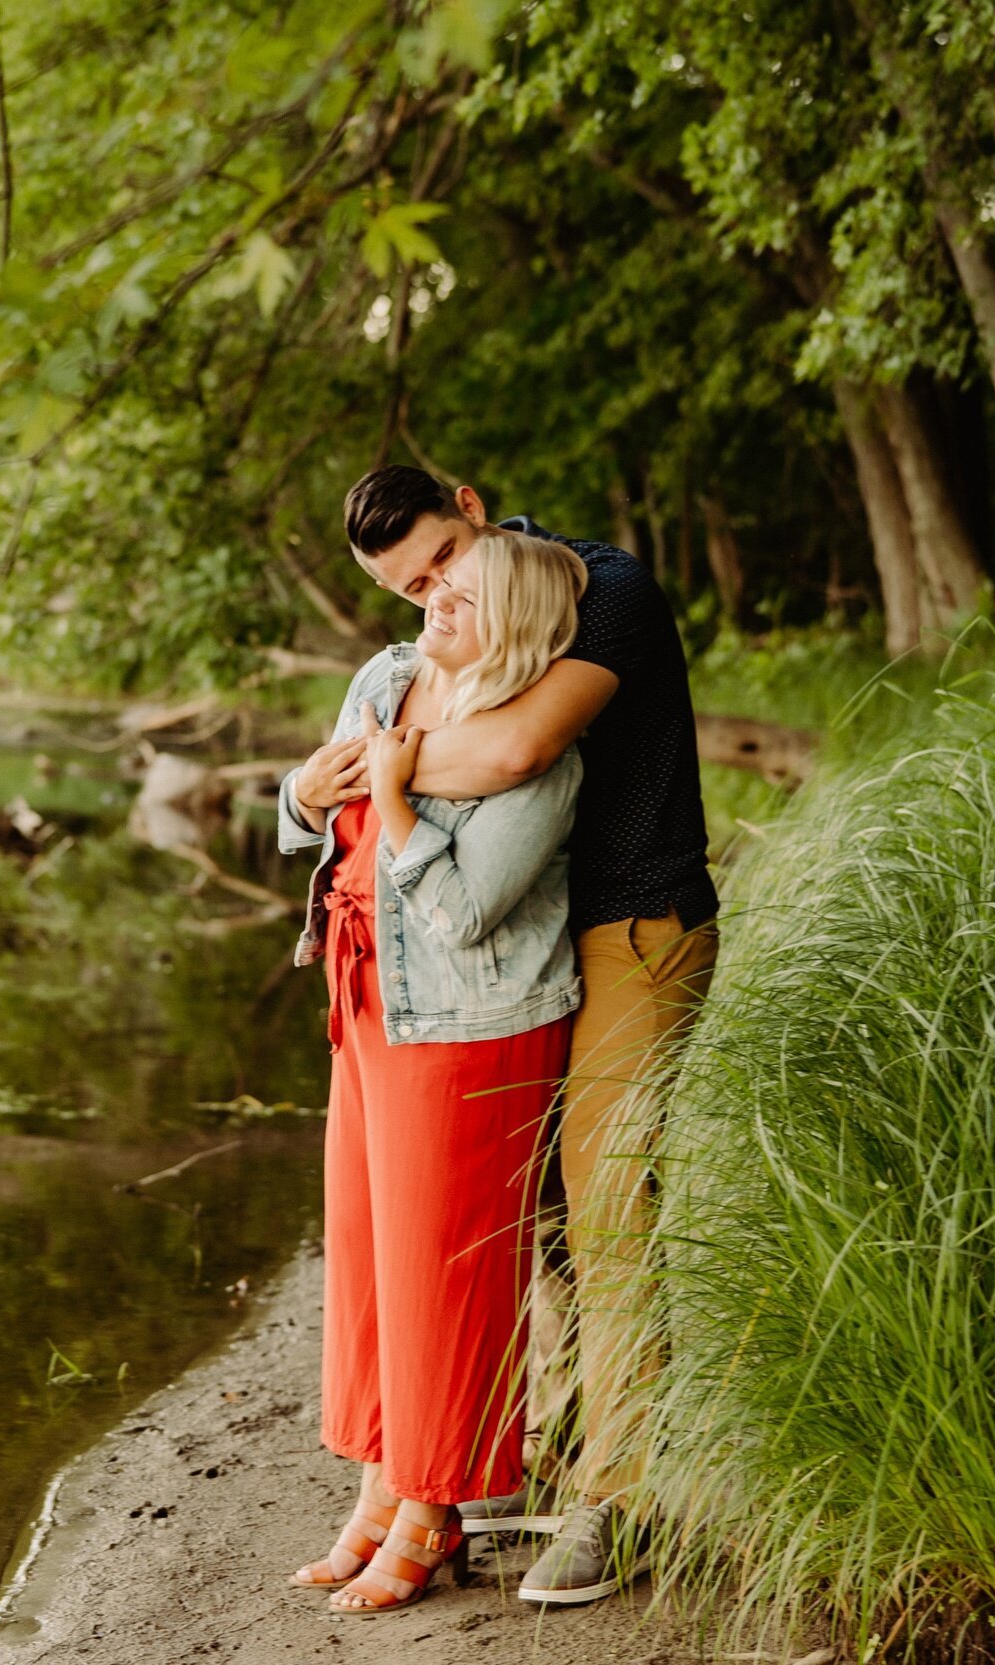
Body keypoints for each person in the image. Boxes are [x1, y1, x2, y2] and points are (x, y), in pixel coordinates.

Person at [299, 466, 718, 1607]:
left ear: (472, 506)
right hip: (514, 951)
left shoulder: (602, 590)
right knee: (527, 1224)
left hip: (625, 924)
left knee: (608, 1204)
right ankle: (549, 1445)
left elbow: (516, 752)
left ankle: (622, 1505)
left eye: (439, 563)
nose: (429, 593)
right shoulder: (440, 642)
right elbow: (438, 756)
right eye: (408, 588)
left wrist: (375, 771)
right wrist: (318, 787)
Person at [275, 530, 590, 1616]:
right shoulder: (391, 687)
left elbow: (461, 916)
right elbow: (310, 814)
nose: (432, 602)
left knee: (441, 1272)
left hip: (467, 1024)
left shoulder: (537, 757)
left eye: (460, 596)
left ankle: (437, 1505)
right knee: (369, 1258)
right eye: (436, 591)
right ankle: (382, 1483)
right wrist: (306, 794)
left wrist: (400, 799)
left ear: (512, 625)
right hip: (365, 1005)